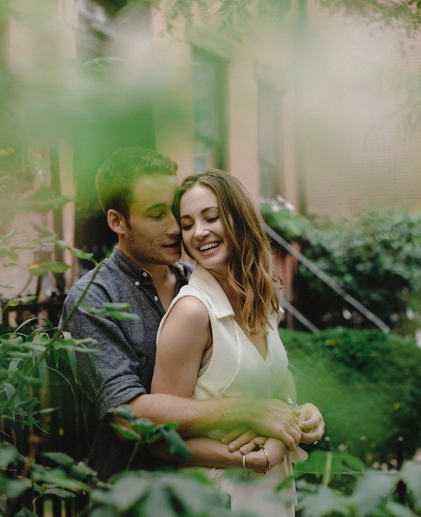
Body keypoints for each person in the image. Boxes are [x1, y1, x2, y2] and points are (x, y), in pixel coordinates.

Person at [60, 147, 311, 481]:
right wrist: (247, 411)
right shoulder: (93, 299)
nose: (176, 228)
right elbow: (126, 414)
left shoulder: (200, 280)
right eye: (156, 214)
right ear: (117, 221)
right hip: (134, 495)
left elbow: (264, 370)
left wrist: (293, 410)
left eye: (174, 212)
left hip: (210, 490)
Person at [152, 169, 324, 515]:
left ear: (240, 218)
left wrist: (301, 413)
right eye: (187, 224)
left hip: (272, 494)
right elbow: (159, 437)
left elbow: (276, 380)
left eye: (211, 217)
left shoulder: (263, 298)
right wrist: (255, 457)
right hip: (219, 496)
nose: (199, 233)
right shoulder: (192, 312)